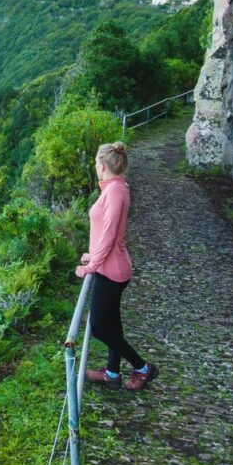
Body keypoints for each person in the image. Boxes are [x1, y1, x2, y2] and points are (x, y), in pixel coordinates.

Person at [75, 141, 157, 392]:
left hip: (112, 271)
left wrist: (93, 265)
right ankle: (112, 372)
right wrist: (93, 256)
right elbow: (106, 234)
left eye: (95, 164)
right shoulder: (115, 189)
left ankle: (143, 368)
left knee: (98, 326)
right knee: (112, 324)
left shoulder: (115, 192)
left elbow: (110, 234)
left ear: (101, 165)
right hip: (108, 266)